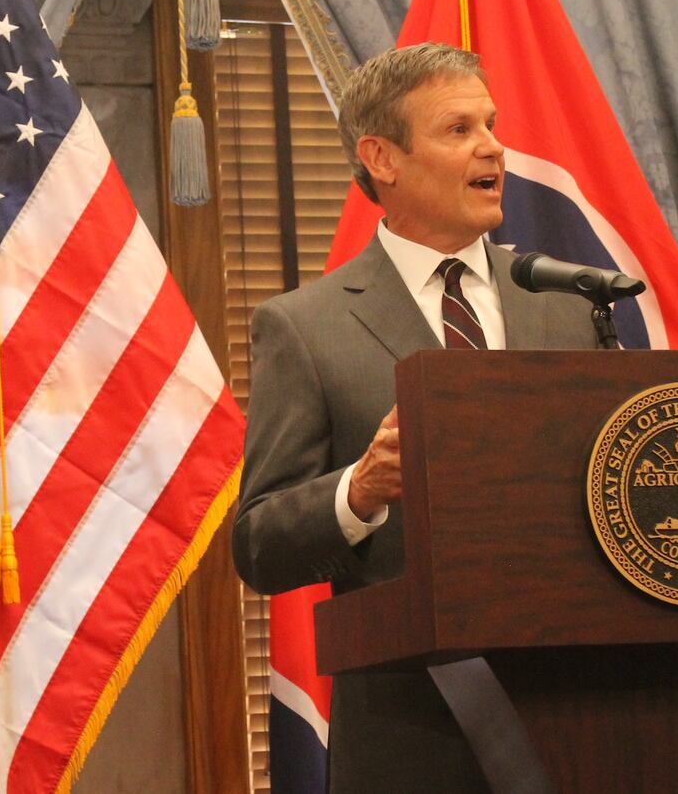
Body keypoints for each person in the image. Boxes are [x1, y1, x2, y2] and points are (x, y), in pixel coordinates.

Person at [232, 43, 593, 792]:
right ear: (382, 158)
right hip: (412, 740)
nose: (493, 146)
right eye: (459, 129)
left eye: (490, 124)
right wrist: (359, 490)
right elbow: (259, 544)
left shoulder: (568, 312)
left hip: (581, 719)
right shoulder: (307, 326)